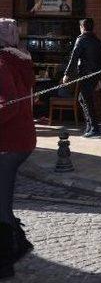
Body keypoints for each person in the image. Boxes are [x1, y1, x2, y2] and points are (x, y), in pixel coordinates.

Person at [0, 18, 37, 279]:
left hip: (8, 141)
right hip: (21, 139)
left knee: (0, 204)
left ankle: (6, 260)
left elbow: (7, 104)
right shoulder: (20, 59)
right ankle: (18, 246)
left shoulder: (2, 63)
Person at [63, 18, 101, 138]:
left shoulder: (81, 40)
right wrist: (99, 79)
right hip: (95, 75)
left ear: (82, 27)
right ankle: (89, 126)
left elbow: (74, 57)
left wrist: (67, 74)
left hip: (85, 74)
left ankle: (94, 129)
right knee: (83, 99)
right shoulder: (98, 42)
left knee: (86, 100)